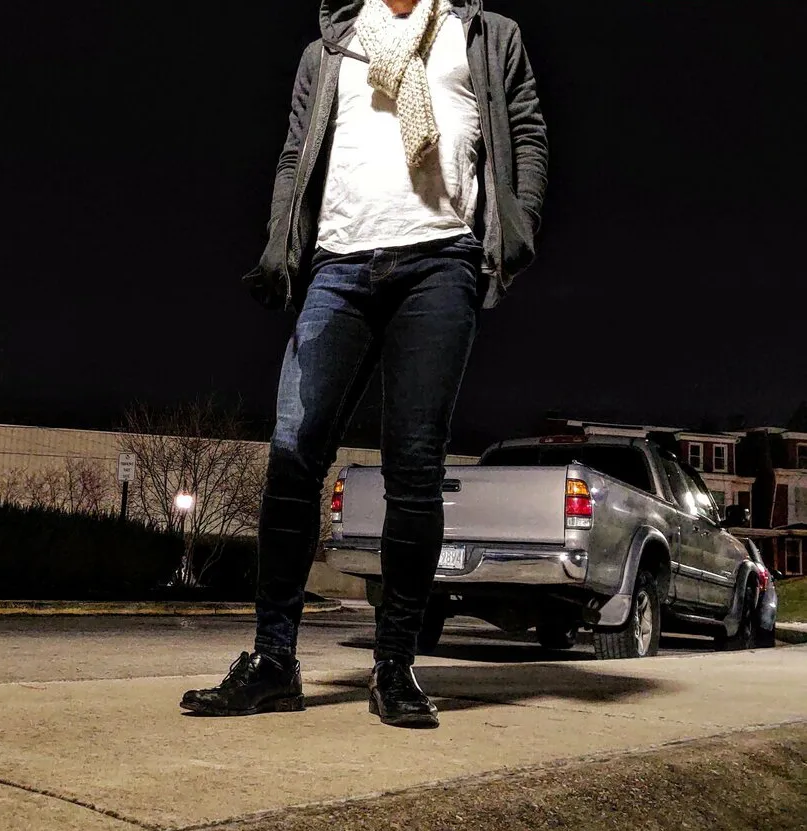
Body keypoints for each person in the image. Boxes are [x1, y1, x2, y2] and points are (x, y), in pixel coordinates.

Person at [180, 0, 547, 727]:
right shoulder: (330, 48)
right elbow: (296, 153)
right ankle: (273, 663)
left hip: (440, 262)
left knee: (414, 466)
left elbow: (526, 133)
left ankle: (395, 666)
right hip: (337, 266)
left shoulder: (486, 35)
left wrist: (518, 227)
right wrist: (282, 239)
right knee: (292, 459)